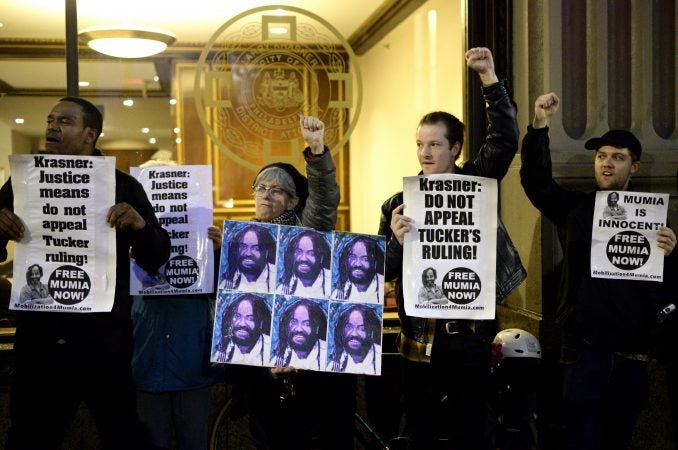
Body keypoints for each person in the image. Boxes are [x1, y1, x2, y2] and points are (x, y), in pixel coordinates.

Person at [0, 96, 171, 450]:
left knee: (122, 436)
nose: (51, 127)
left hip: (104, 343)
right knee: (29, 438)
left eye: (64, 121)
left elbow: (156, 259)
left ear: (89, 134)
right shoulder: (24, 180)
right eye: (50, 120)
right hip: (41, 342)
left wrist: (141, 227)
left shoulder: (123, 187)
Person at [379, 47, 525, 449]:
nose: (425, 153)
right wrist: (394, 239)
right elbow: (382, 270)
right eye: (420, 144)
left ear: (456, 148)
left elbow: (505, 140)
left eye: (435, 144)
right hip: (419, 340)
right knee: (421, 429)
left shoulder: (477, 183)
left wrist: (489, 79)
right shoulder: (398, 203)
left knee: (470, 430)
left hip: (473, 336)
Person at [520, 92, 677, 450]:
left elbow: (666, 291)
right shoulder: (577, 208)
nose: (606, 163)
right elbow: (535, 182)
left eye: (617, 158)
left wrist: (672, 253)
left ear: (633, 167)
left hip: (631, 358)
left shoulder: (655, 222)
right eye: (601, 156)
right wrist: (540, 126)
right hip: (584, 354)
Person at [230, 115, 356, 450]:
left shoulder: (306, 231)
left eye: (277, 190)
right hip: (262, 370)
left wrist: (317, 151)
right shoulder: (240, 239)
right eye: (260, 187)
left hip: (307, 367)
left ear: (294, 200)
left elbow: (325, 198)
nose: (266, 195)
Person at [214, 292, 272, 365]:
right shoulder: (221, 345)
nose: (242, 323)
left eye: (251, 318)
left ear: (260, 322)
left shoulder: (270, 347)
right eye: (237, 317)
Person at [272, 298, 327, 370]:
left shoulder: (326, 353)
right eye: (294, 322)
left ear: (316, 327)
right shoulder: (277, 353)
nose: (299, 329)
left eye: (307, 324)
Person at [220, 223, 277, 292]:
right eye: (243, 247)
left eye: (256, 248)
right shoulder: (226, 281)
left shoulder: (276, 278)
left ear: (266, 251)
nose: (248, 253)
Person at [328, 304, 382, 375]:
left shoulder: (380, 355)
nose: (354, 334)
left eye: (362, 328)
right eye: (349, 327)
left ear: (371, 331)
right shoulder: (334, 364)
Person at [277, 229, 332, 297]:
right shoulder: (284, 287)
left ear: (321, 257)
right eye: (299, 252)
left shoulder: (331, 282)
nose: (303, 258)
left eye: (311, 253)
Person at [332, 235, 385, 302]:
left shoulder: (382, 285)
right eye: (353, 257)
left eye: (365, 259)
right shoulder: (338, 293)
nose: (358, 264)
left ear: (374, 262)